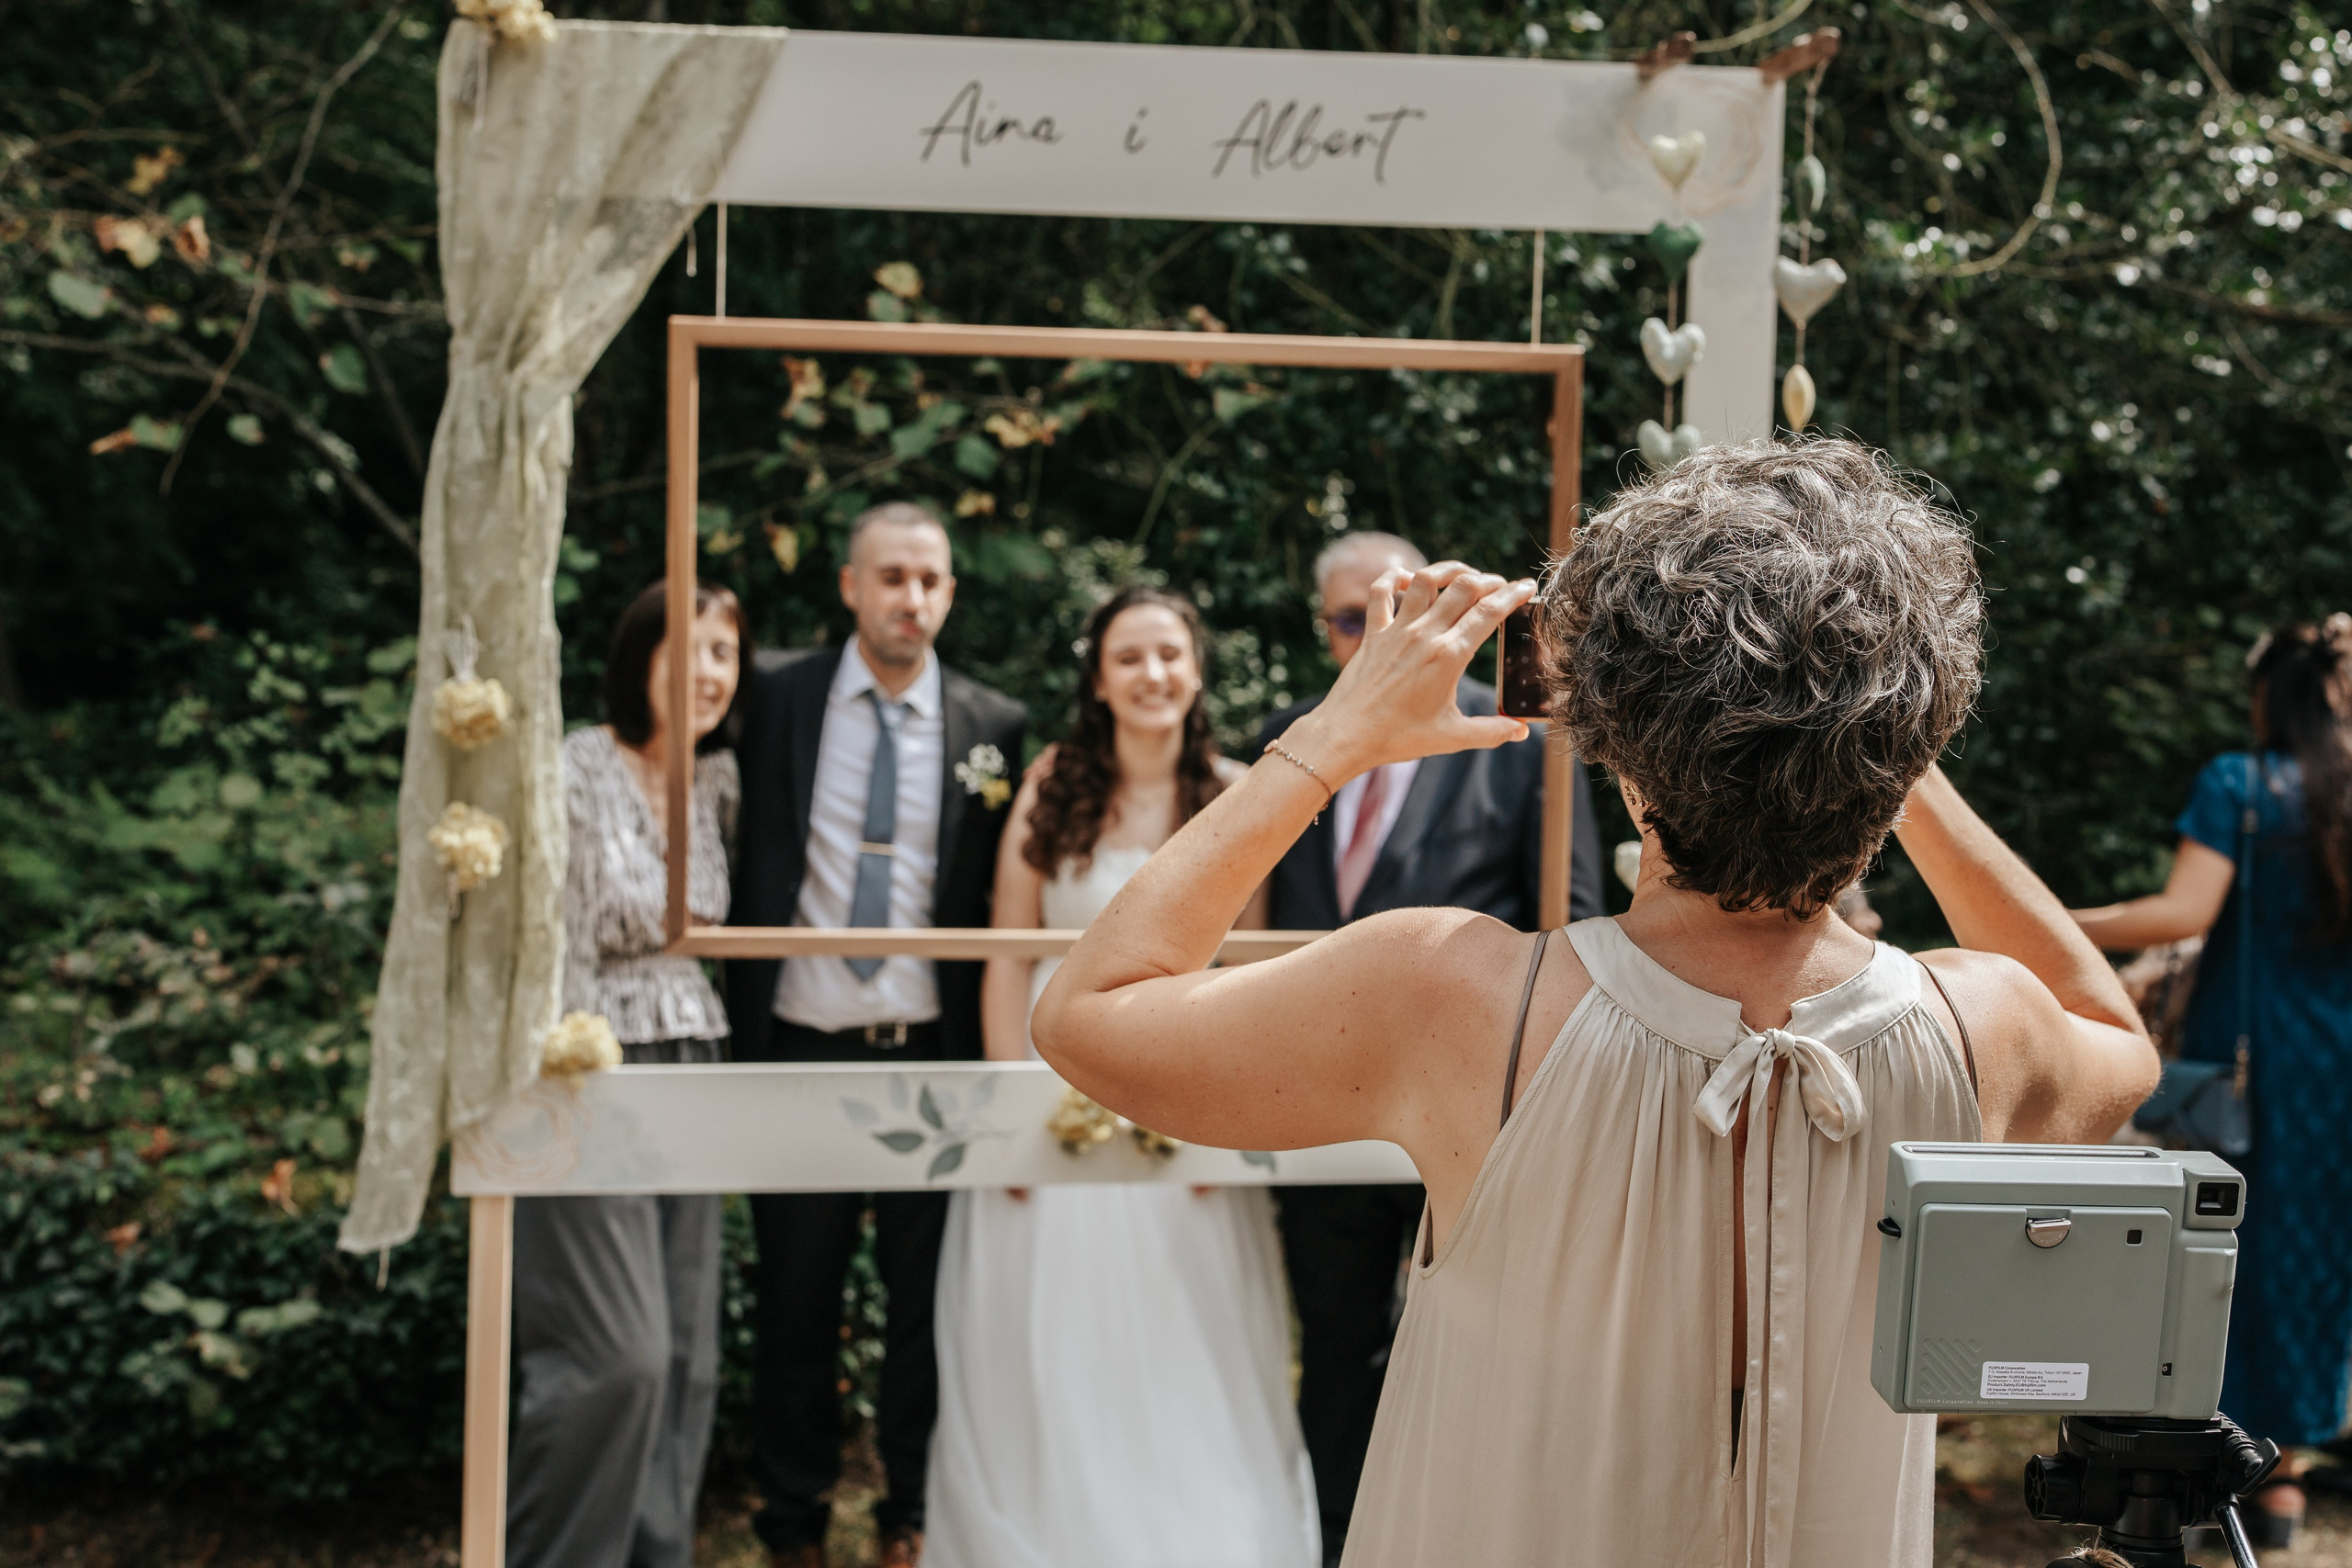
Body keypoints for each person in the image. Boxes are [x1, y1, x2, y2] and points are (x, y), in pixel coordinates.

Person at [1030, 439, 2159, 1567]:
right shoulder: (1978, 1030)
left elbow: (1088, 1012)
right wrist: (1872, 751)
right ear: (1915, 733)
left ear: (1624, 757)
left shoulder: (1452, 994)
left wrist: (1332, 740)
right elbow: (2116, 1039)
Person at [923, 584, 1320, 1568]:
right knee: (1043, 1352)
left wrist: (1221, 1121)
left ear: (1195, 671)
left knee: (1186, 1351)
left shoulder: (1236, 790)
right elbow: (1008, 953)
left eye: (1169, 656)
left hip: (1184, 1104)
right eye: (1131, 658)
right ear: (1097, 679)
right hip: (1049, 1099)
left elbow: (1252, 971)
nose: (1153, 676)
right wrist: (1007, 1102)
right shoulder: (1051, 784)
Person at [1252, 529, 1602, 1563]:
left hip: (1474, 1108)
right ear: (1328, 631)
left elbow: (1570, 920)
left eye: (1393, 611)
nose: (1375, 634)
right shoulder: (1292, 736)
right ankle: (1337, 1543)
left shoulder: (1517, 741)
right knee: (1336, 1346)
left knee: (1481, 1344)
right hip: (1319, 1104)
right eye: (1352, 618)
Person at [725, 502, 1027, 1568]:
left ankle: (908, 1516)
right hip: (798, 1046)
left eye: (930, 580)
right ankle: (793, 1526)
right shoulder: (773, 696)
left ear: (950, 592)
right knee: (796, 1306)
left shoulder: (994, 724)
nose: (913, 598)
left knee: (924, 1308)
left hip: (930, 1053)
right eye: (891, 577)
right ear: (849, 586)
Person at [2071, 615, 2352, 1549]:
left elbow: (2181, 911)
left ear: (2269, 697)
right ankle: (2284, 1484)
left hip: (2258, 1067)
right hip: (2340, 1065)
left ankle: (2205, 1469)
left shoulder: (2239, 785)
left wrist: (2053, 919)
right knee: (2318, 1263)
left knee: (2222, 1259)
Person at [509, 580, 743, 1568]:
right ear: (637, 656)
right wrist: (559, 1076)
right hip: (591, 1067)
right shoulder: (571, 768)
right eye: (685, 649)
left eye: (725, 653)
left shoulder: (717, 782)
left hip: (700, 1060)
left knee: (688, 1360)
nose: (707, 672)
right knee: (619, 1358)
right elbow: (546, 943)